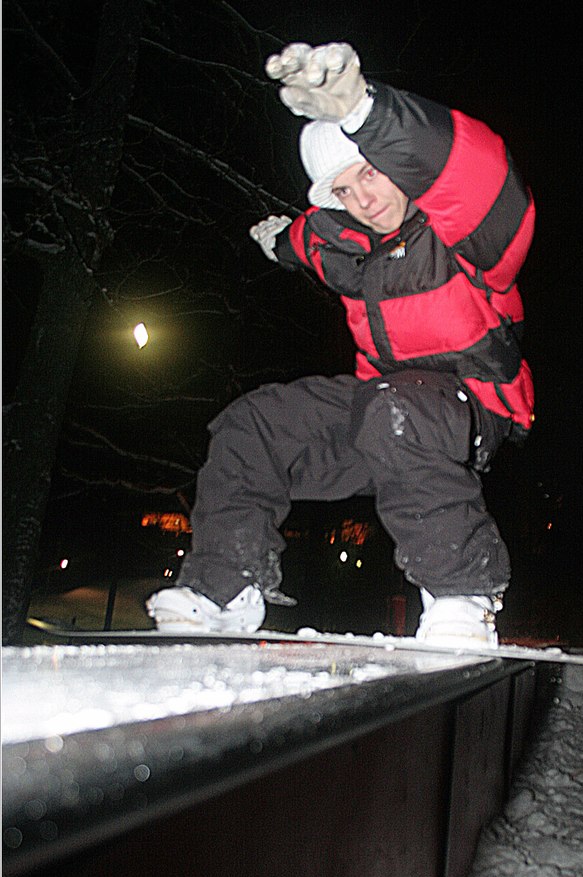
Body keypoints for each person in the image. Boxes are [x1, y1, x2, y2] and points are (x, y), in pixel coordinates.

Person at [147, 42, 535, 645]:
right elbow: (312, 240)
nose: (366, 199)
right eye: (347, 190)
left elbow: (478, 170)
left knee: (395, 410)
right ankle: (226, 585)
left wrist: (366, 112)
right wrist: (280, 245)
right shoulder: (344, 243)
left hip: (472, 403)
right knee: (253, 423)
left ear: (398, 166)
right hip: (384, 410)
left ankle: (464, 594)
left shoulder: (463, 233)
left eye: (372, 175)